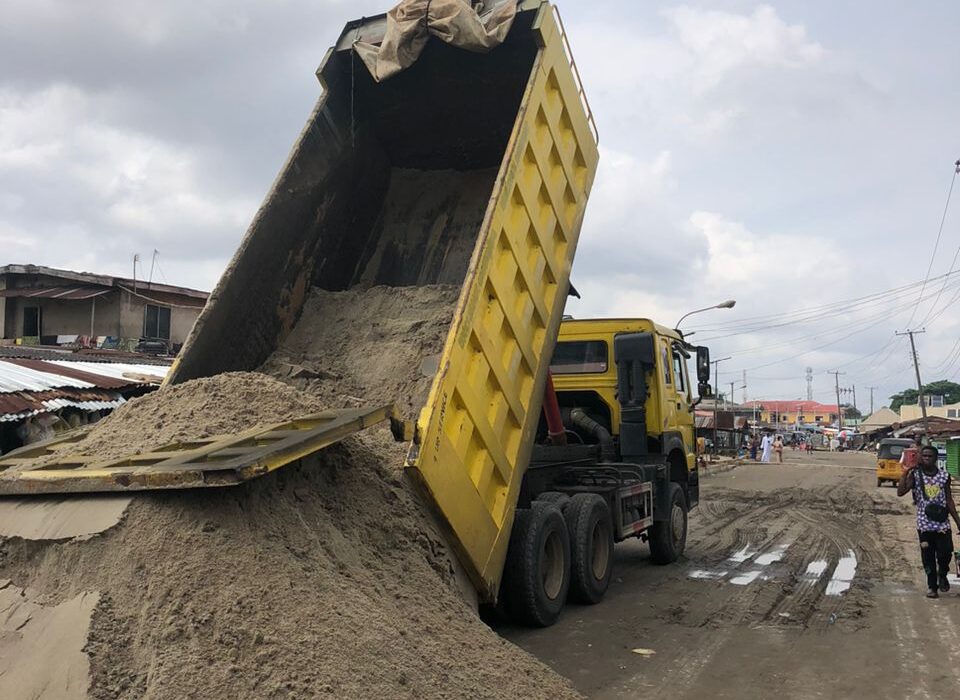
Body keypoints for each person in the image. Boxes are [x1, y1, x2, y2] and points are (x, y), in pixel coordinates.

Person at [897, 444, 960, 598]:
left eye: (929, 456)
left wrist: (958, 522)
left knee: (946, 554)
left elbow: (949, 500)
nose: (926, 459)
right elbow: (900, 492)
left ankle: (943, 574)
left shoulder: (944, 476)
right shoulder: (916, 475)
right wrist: (905, 473)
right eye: (923, 456)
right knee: (928, 557)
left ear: (936, 458)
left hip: (942, 523)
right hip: (924, 524)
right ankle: (932, 587)